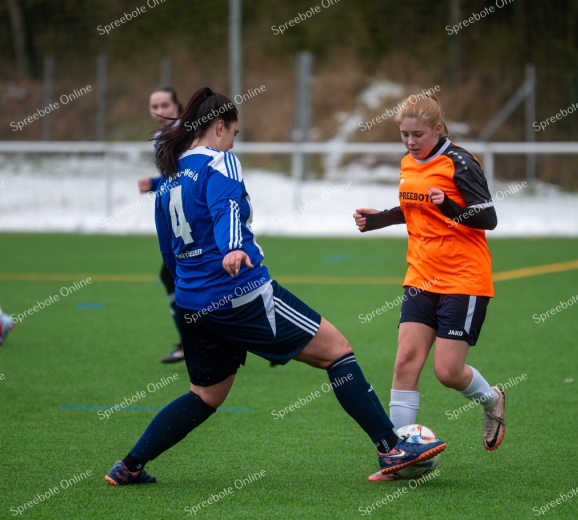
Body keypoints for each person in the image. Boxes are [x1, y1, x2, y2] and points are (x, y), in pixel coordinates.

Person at [105, 87, 445, 486]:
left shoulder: (172, 177)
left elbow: (167, 247)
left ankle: (128, 466)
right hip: (242, 295)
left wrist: (191, 286)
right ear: (219, 126)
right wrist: (232, 247)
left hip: (194, 302)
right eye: (234, 132)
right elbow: (226, 207)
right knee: (338, 352)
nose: (234, 141)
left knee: (205, 395)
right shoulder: (221, 161)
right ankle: (391, 448)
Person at [353, 94, 504, 481]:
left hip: (463, 279)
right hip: (421, 277)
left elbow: (488, 217)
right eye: (403, 134)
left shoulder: (460, 162)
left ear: (438, 129)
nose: (409, 142)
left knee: (448, 372)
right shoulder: (408, 163)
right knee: (405, 363)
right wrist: (378, 220)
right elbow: (412, 208)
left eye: (417, 134)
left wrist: (449, 206)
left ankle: (492, 400)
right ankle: (397, 455)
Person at [137, 87, 186, 363]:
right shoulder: (160, 137)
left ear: (177, 106)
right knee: (174, 276)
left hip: (193, 219)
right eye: (154, 105)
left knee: (176, 275)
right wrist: (155, 184)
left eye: (165, 104)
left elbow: (190, 175)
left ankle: (190, 343)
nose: (160, 110)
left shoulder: (185, 133)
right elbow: (175, 179)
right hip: (179, 220)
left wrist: (157, 184)